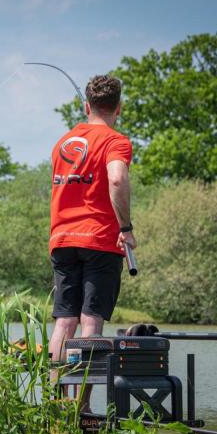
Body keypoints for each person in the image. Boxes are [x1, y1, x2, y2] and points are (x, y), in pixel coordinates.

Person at [47, 74, 137, 385]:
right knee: (90, 321)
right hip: (99, 239)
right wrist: (125, 227)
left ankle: (54, 403)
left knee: (64, 321)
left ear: (87, 106)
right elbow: (116, 178)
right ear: (119, 108)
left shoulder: (62, 143)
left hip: (61, 239)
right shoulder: (116, 141)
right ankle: (81, 409)